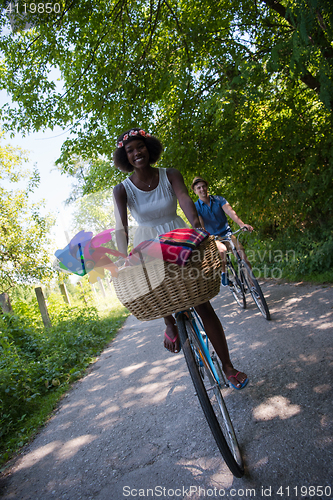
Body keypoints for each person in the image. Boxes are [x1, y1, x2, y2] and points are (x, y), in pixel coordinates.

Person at [112, 128, 248, 389]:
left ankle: (228, 366)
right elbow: (121, 227)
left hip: (177, 236)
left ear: (148, 149)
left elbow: (185, 200)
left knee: (202, 303)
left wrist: (197, 227)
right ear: (125, 157)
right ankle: (169, 322)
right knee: (156, 288)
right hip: (147, 243)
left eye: (140, 147)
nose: (136, 153)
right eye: (130, 150)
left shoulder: (170, 174)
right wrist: (120, 256)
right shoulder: (122, 189)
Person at [191, 176, 253, 286]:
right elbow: (201, 225)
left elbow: (231, 212)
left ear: (207, 187)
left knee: (243, 256)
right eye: (199, 188)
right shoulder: (196, 207)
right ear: (195, 191)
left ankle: (254, 287)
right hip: (213, 237)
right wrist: (205, 238)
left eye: (203, 186)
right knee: (222, 250)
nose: (202, 189)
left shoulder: (219, 200)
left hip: (226, 233)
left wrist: (242, 224)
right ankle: (224, 273)